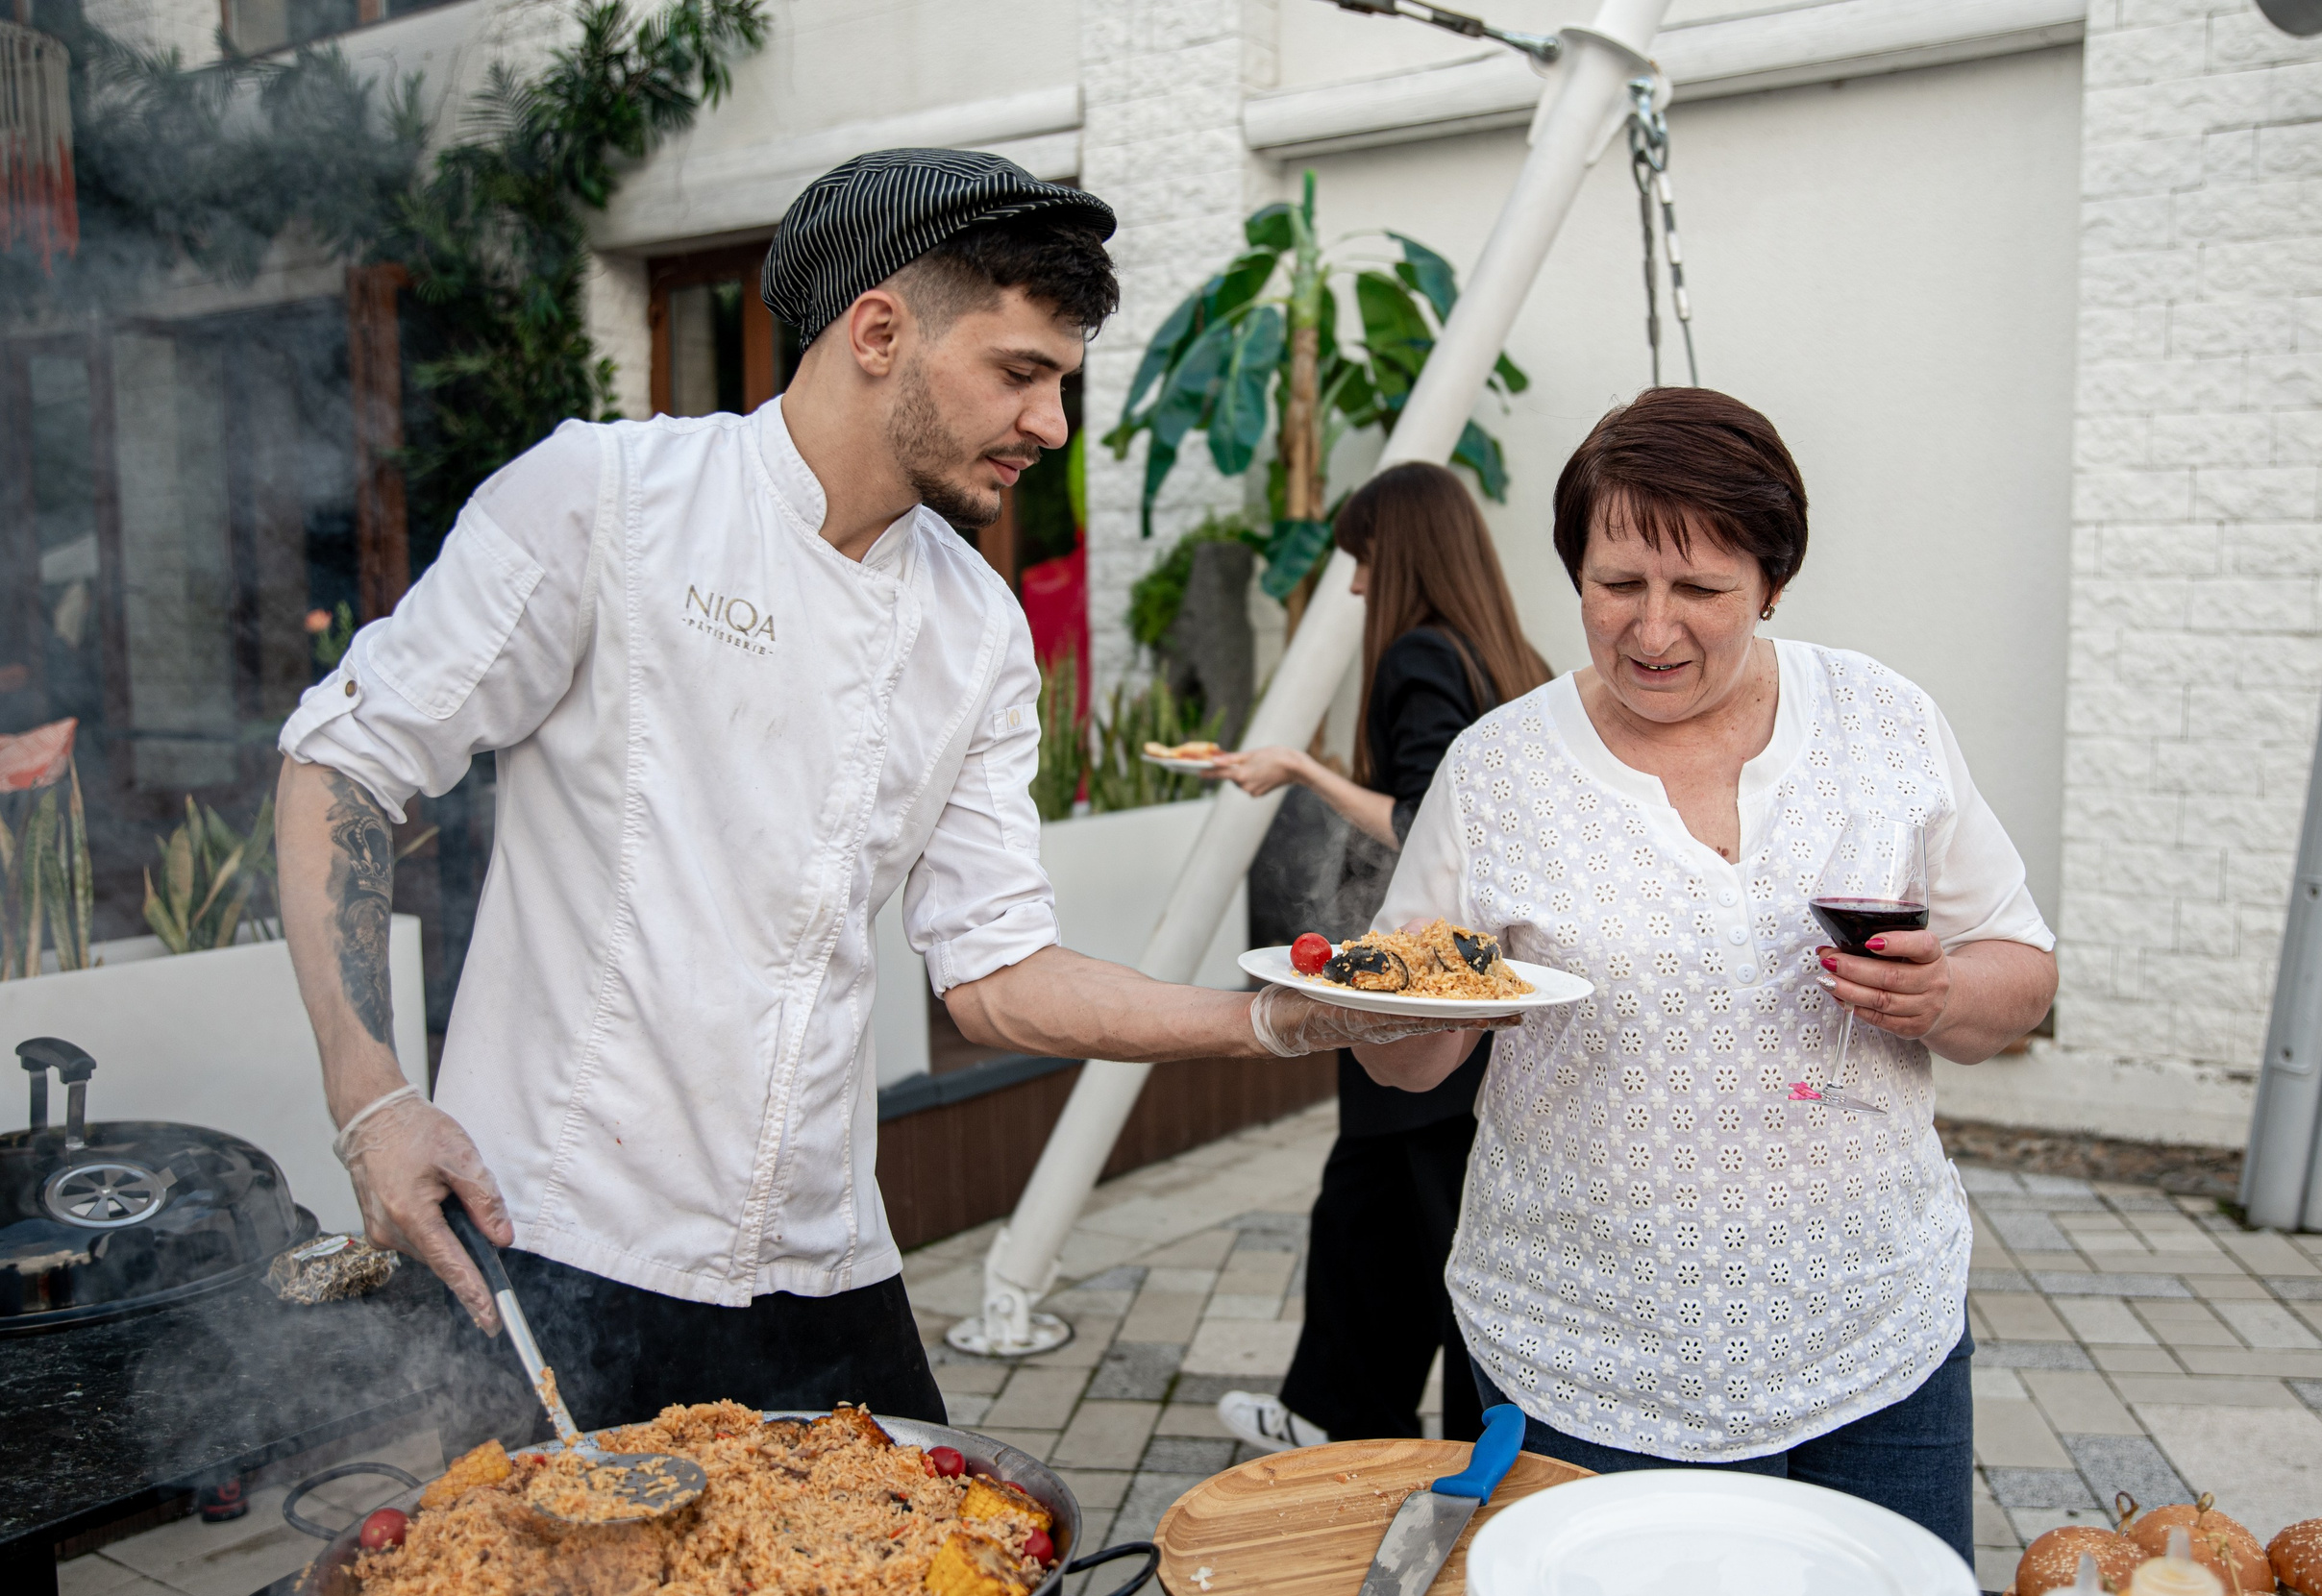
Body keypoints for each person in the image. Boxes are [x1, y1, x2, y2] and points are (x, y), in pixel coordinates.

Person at [273, 149, 1467, 1433]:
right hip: (561, 1236)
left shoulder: (977, 628)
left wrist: (1278, 1021)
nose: (1052, 425)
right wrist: (372, 1096)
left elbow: (996, 969)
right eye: (1020, 373)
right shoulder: (607, 502)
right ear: (880, 331)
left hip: (826, 1255)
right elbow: (345, 758)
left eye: (1063, 382)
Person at [1354, 388, 2059, 1560]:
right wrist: (1399, 1010)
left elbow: (2019, 971)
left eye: (1700, 591)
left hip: (1874, 1336)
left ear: (1772, 582)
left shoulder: (1885, 722)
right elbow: (1406, 1054)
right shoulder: (1496, 773)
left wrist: (1941, 996)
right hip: (1585, 1356)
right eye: (1616, 585)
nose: (1652, 629)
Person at [1200, 463, 1553, 1451]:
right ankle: (1350, 1418)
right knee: (1389, 1218)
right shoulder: (1511, 657)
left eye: (1359, 557)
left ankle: (1403, 1435)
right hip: (1484, 985)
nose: (1353, 582)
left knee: (1399, 1224)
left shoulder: (1418, 656)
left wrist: (1302, 766)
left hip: (1426, 997)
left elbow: (1422, 820)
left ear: (1394, 553)